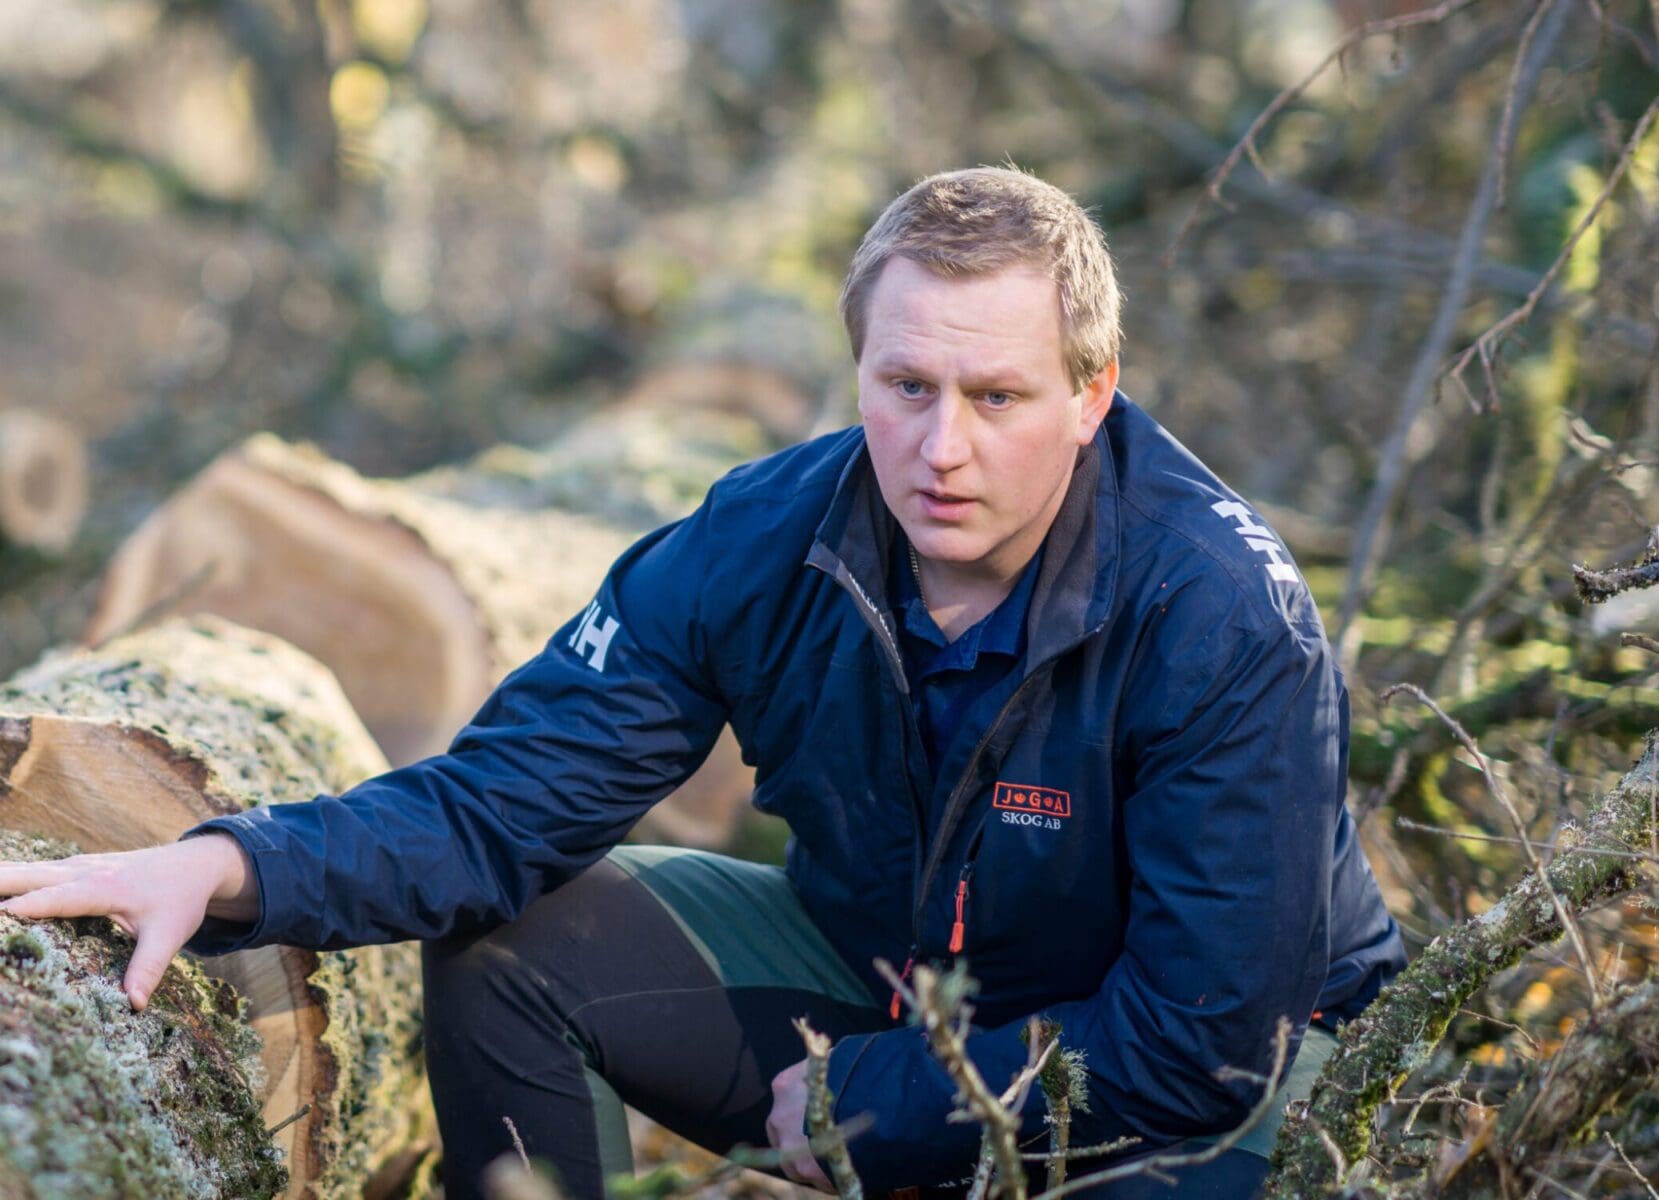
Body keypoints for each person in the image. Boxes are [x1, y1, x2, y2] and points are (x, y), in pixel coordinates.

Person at [0, 167, 1404, 1199]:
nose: (943, 449)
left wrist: (874, 1105)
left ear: (1093, 395)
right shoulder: (762, 539)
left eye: (998, 398)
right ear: (856, 369)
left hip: (1201, 1087)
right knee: (511, 947)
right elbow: (506, 802)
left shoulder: (1219, 611)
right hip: (898, 979)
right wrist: (230, 865)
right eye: (906, 387)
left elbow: (1210, 1039)